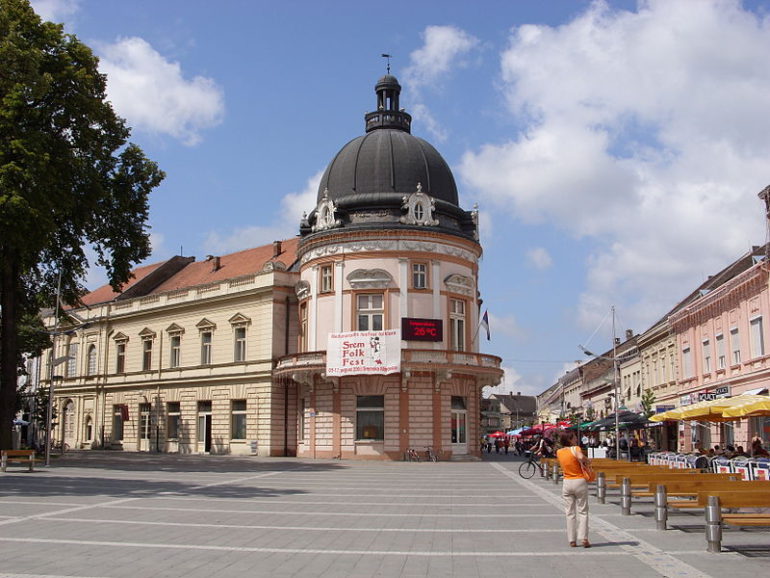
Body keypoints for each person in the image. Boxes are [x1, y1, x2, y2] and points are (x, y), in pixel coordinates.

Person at [556, 432, 591, 548]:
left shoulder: (559, 452)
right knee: (583, 511)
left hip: (567, 482)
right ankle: (583, 537)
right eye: (575, 437)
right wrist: (587, 460)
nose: (577, 439)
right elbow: (581, 457)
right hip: (579, 481)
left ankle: (572, 539)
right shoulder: (576, 448)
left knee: (569, 512)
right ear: (570, 440)